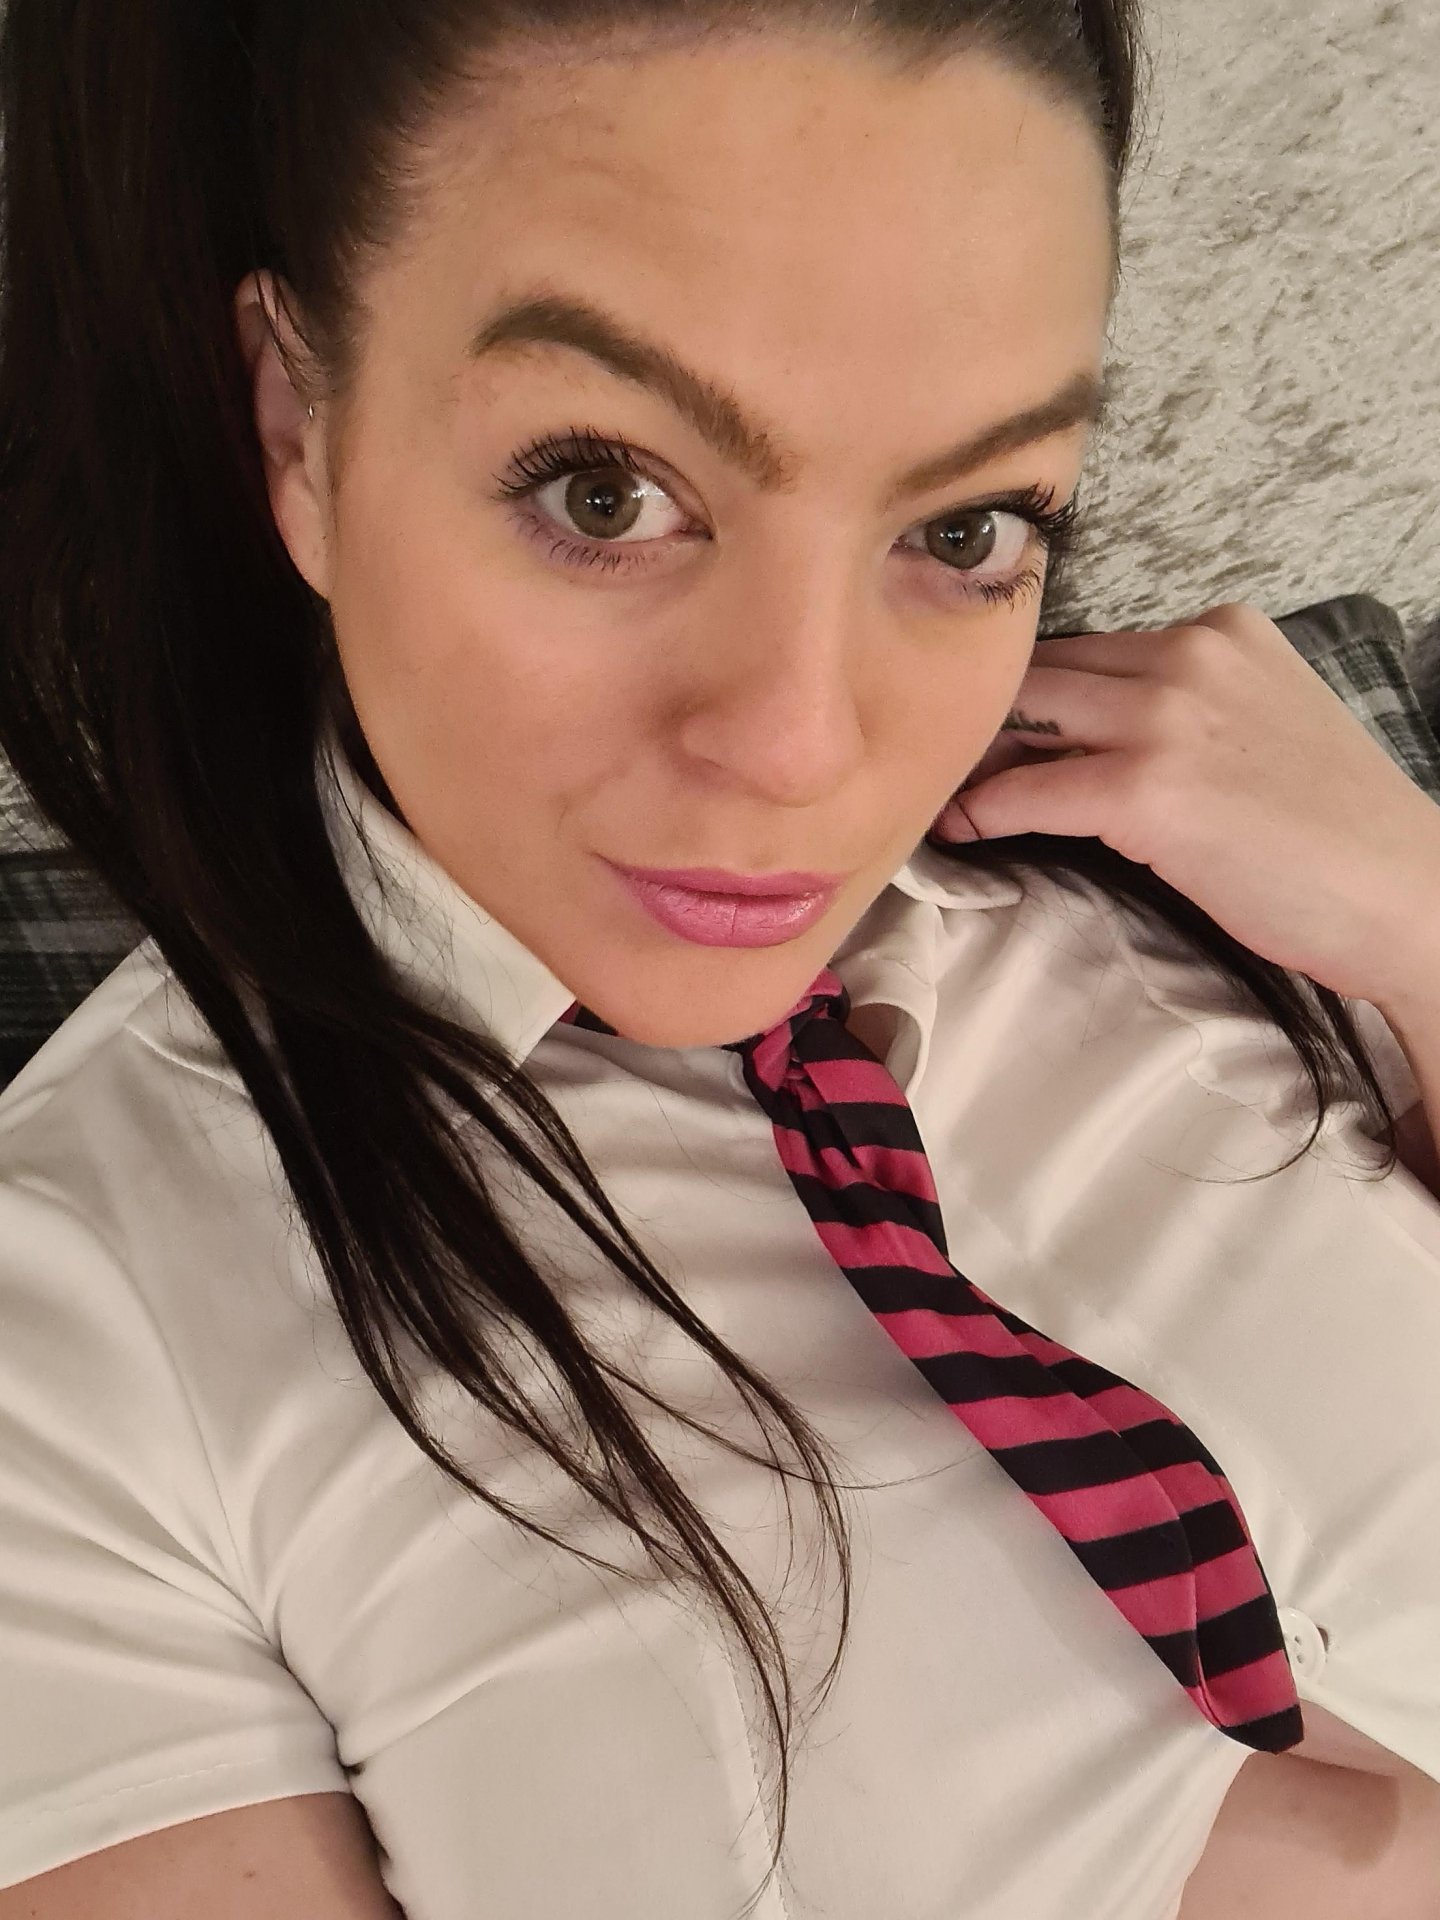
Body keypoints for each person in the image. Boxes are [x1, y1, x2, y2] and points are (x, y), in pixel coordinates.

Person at [0, 2, 1437, 1916]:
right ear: (299, 424)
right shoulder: (68, 1331)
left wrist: (1421, 918)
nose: (799, 747)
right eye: (603, 493)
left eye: (968, 523)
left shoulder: (1238, 869)